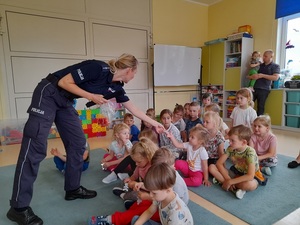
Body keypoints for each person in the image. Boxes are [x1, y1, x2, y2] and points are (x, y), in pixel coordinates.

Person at [7, 53, 164, 225]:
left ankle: (72, 189)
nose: (134, 77)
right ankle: (18, 208)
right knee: (35, 146)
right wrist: (91, 96)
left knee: (78, 143)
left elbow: (133, 108)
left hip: (66, 100)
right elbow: (63, 82)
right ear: (129, 70)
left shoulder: (117, 86)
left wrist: (154, 123)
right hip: (49, 93)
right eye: (135, 73)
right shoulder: (98, 68)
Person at [88, 148, 189, 225]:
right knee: (142, 205)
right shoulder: (163, 187)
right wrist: (142, 186)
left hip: (168, 216)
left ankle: (113, 219)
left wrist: (148, 196)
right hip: (163, 207)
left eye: (153, 193)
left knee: (142, 207)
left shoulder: (176, 211)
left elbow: (161, 200)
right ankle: (130, 214)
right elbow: (155, 198)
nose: (151, 194)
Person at [209, 125, 267, 200]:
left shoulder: (250, 152)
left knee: (250, 185)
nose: (229, 142)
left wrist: (231, 181)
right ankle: (232, 186)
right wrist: (228, 179)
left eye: (232, 141)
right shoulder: (231, 148)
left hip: (251, 176)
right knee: (211, 167)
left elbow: (250, 176)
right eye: (229, 140)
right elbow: (219, 163)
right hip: (236, 172)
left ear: (243, 142)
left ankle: (224, 183)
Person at [112, 137, 157, 209]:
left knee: (135, 195)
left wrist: (137, 184)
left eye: (138, 162)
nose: (136, 164)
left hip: (150, 190)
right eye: (135, 161)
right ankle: (127, 195)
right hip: (142, 184)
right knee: (126, 183)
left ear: (148, 157)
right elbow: (135, 175)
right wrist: (130, 179)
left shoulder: (153, 168)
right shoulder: (139, 165)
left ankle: (124, 195)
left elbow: (154, 189)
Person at [248, 49, 280, 116]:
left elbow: (275, 78)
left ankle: (259, 123)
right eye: (263, 56)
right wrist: (251, 77)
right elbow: (249, 76)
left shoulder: (275, 66)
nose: (263, 57)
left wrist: (262, 75)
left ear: (271, 57)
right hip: (253, 88)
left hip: (264, 89)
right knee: (248, 105)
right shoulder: (259, 65)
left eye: (266, 56)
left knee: (260, 106)